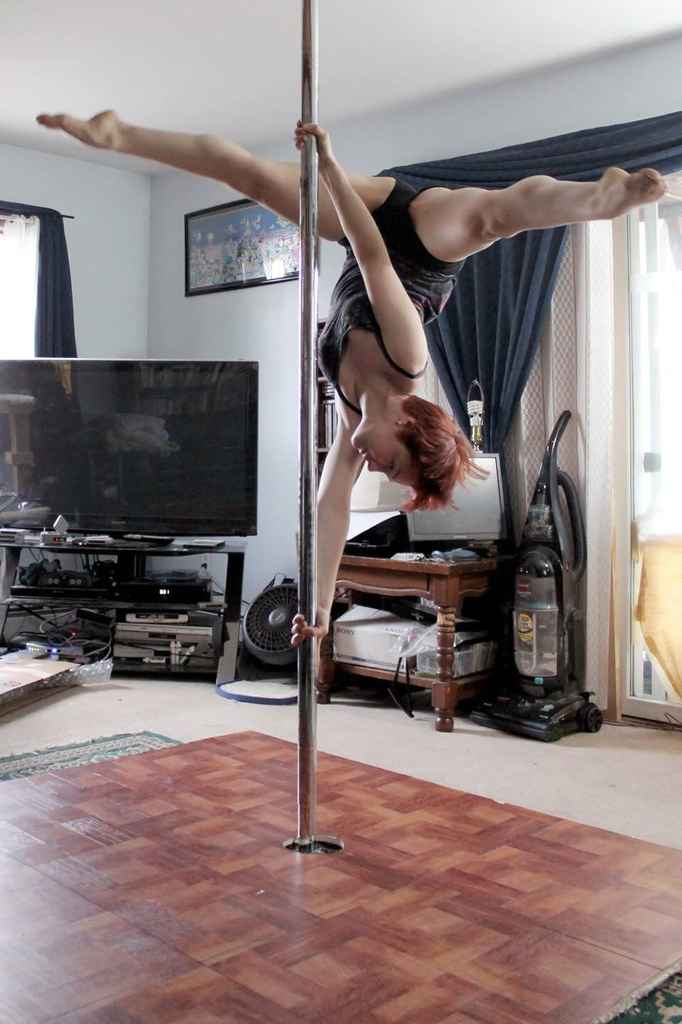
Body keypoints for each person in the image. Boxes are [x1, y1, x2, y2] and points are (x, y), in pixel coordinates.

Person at [36, 110, 666, 650]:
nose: (378, 468)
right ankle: (599, 199)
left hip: (363, 228)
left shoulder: (351, 419)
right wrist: (329, 166)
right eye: (395, 465)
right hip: (415, 237)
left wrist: (317, 606)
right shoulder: (408, 356)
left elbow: (328, 510)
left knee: (248, 177)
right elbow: (372, 257)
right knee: (490, 219)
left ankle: (118, 135)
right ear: (408, 422)